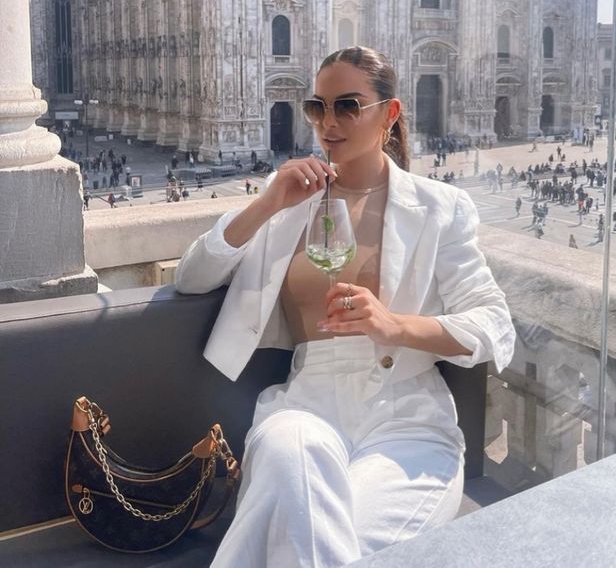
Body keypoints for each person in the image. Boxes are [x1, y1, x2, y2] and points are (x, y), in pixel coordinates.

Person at [175, 46, 515, 567]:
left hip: (407, 417)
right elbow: (193, 276)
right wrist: (268, 204)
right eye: (318, 108)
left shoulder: (439, 208)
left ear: (390, 113)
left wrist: (394, 324)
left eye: (348, 106)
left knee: (317, 542)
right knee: (293, 453)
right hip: (305, 404)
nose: (328, 123)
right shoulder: (288, 198)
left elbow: (493, 325)